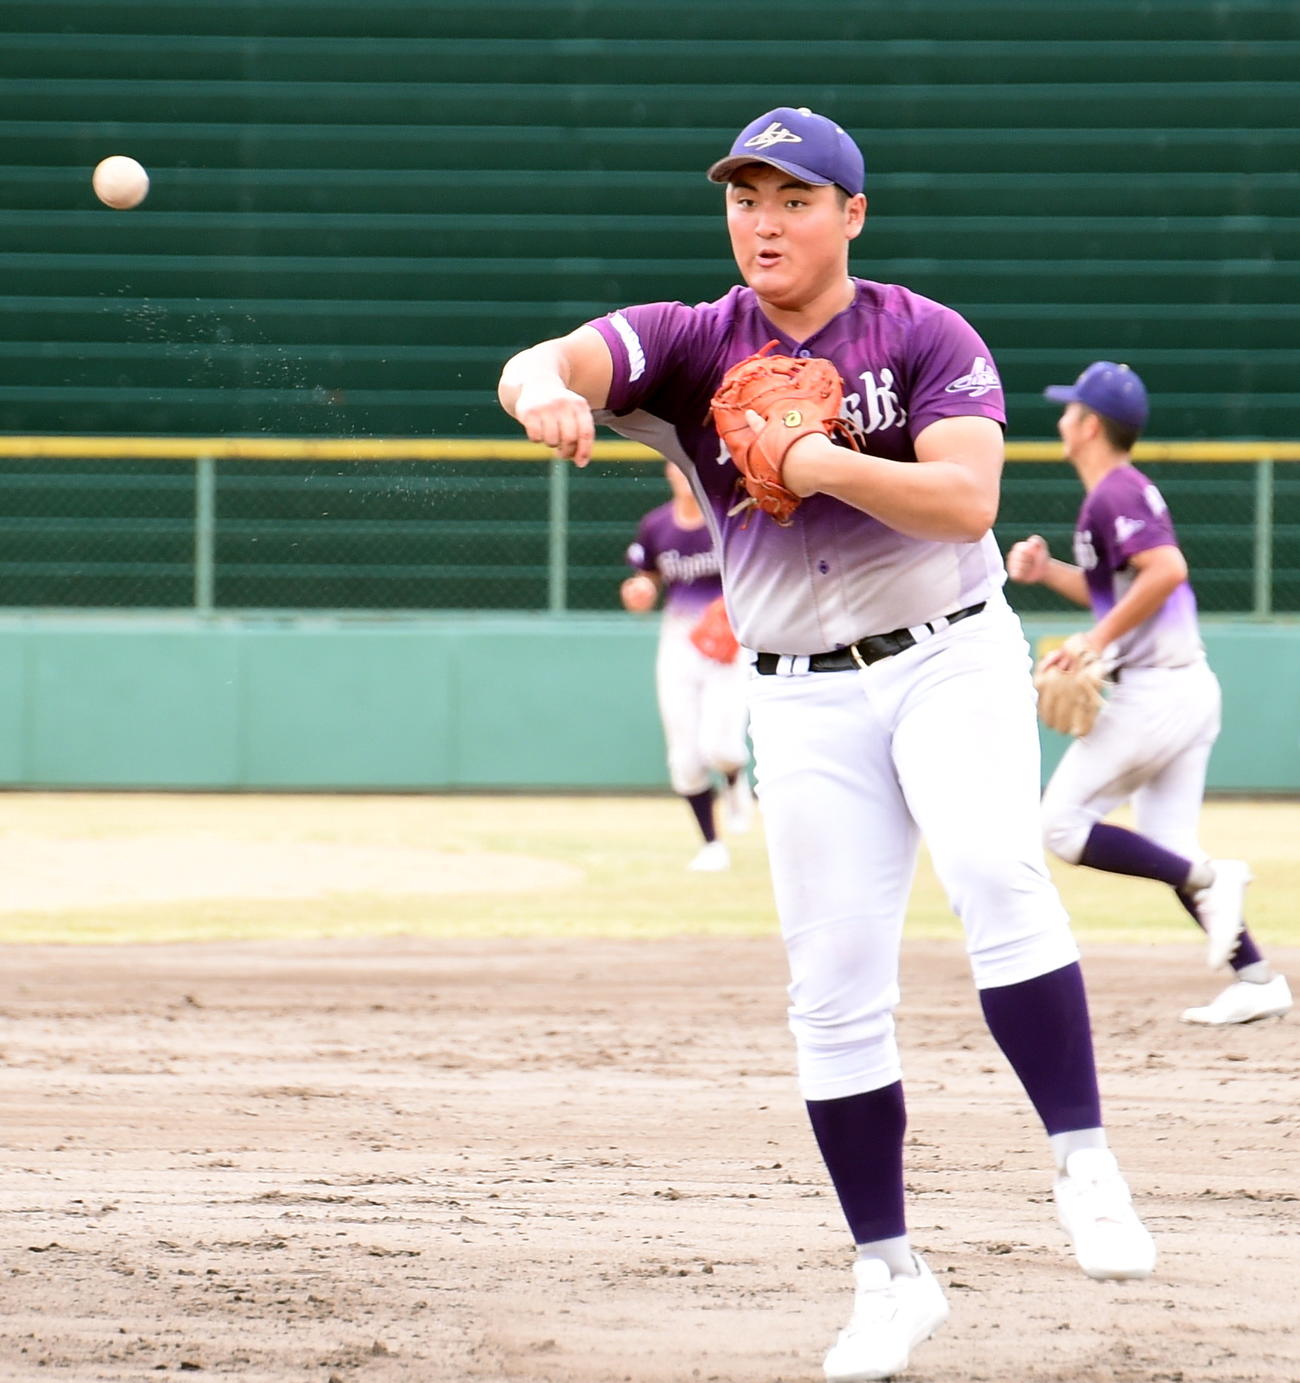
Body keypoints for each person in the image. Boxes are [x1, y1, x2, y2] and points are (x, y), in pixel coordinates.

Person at [498, 106, 1155, 1381]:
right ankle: (887, 1279)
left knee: (995, 873)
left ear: (850, 215)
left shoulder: (922, 334)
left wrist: (810, 458)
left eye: (793, 199)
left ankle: (1084, 1164)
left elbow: (964, 500)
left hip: (948, 655)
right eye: (744, 198)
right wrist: (544, 396)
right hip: (796, 695)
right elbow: (545, 359)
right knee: (833, 991)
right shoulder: (690, 344)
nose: (762, 222)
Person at [1007, 361, 1292, 1027]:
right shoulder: (1114, 494)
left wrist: (1092, 641)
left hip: (1157, 694)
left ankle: (1215, 877)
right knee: (1167, 843)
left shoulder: (1115, 492)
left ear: (1090, 425)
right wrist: (1048, 572)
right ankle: (1257, 979)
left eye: (1071, 409)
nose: (1061, 419)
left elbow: (1166, 570)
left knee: (1061, 825)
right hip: (1183, 687)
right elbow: (1125, 590)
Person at [622, 461, 754, 871]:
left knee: (722, 747)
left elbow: (756, 571)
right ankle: (712, 844)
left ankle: (733, 779)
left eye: (689, 468)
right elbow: (644, 579)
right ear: (669, 473)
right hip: (679, 639)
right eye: (676, 468)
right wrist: (640, 589)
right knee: (684, 756)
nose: (683, 474)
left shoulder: (727, 518)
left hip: (728, 641)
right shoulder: (656, 524)